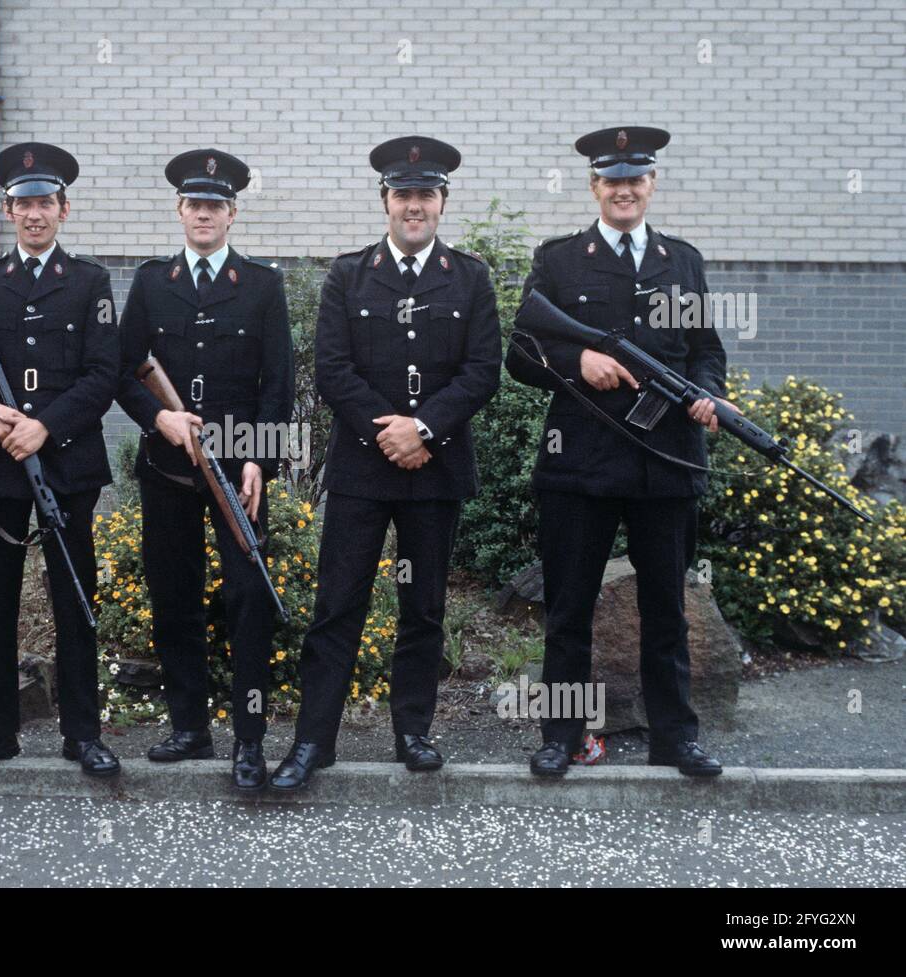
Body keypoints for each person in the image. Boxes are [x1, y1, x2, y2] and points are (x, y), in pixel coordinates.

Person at [270, 137, 501, 792]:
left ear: (442, 202)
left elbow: (482, 371)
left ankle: (413, 732)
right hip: (363, 472)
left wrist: (423, 427)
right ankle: (314, 740)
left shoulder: (471, 277)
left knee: (423, 607)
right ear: (385, 202)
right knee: (337, 605)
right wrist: (391, 434)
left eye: (425, 195)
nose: (414, 206)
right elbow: (335, 369)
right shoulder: (349, 275)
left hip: (436, 466)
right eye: (403, 195)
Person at [504, 126, 732, 777]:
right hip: (580, 465)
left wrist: (708, 395)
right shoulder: (559, 260)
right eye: (613, 179)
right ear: (594, 186)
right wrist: (578, 360)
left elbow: (706, 352)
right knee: (569, 610)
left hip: (666, 464)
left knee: (666, 610)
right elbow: (521, 353)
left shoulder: (681, 261)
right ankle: (563, 737)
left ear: (652, 184)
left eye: (636, 179)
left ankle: (675, 737)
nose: (624, 189)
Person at [0, 143, 121, 776]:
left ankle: (83, 734)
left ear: (64, 209)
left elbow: (103, 374)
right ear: (8, 211)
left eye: (45, 203)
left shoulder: (90, 281)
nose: (34, 215)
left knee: (74, 596)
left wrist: (44, 428)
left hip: (64, 463)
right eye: (22, 204)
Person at [115, 149, 293, 792]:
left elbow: (280, 381)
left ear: (232, 214)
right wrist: (156, 418)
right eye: (195, 205)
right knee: (173, 596)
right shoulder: (151, 281)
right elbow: (121, 365)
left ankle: (249, 739)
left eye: (215, 206)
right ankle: (190, 727)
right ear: (181, 211)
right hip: (168, 466)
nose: (204, 215)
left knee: (247, 600)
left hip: (235, 469)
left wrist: (258, 459)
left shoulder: (263, 284)